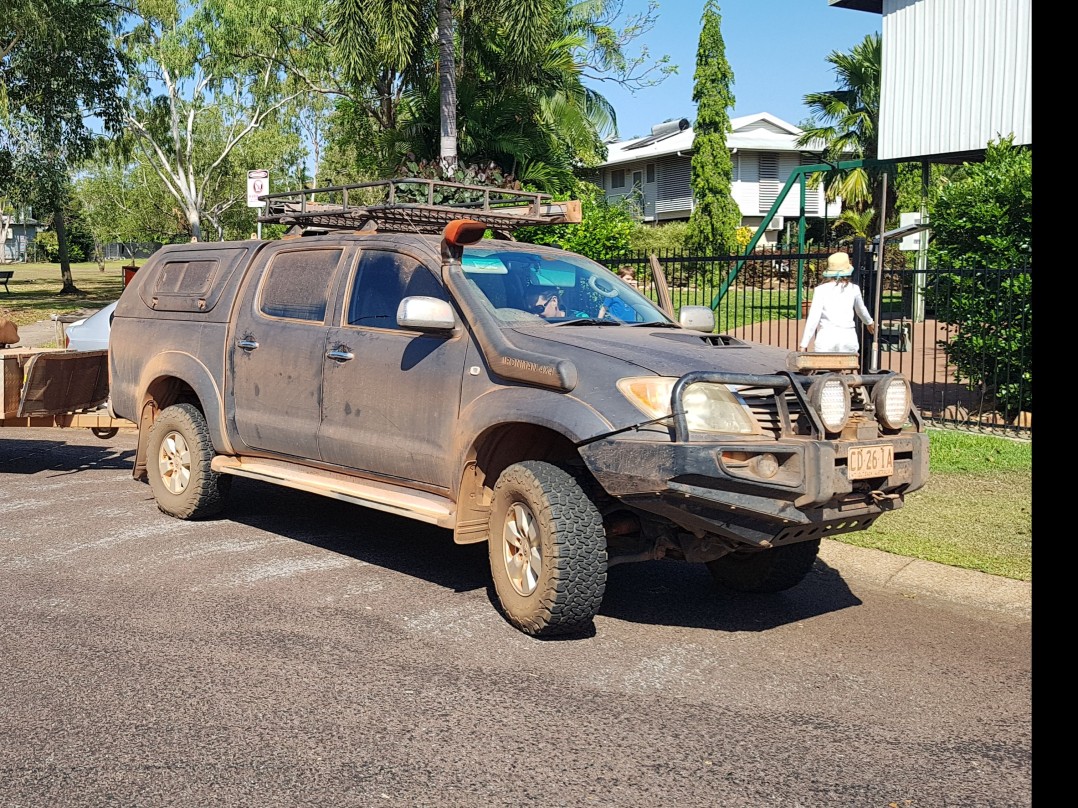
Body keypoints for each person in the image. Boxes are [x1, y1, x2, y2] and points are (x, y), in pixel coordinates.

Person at [799, 252, 875, 353]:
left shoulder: (820, 290)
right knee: (845, 365)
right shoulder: (854, 289)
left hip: (826, 337)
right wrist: (869, 322)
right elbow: (861, 310)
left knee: (823, 366)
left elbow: (813, 317)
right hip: (848, 337)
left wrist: (804, 344)